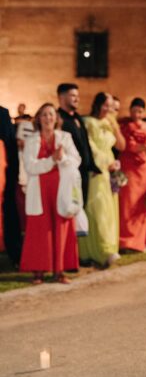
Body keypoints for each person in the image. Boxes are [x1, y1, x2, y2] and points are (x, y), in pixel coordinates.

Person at [20, 103, 81, 284]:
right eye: (44, 115)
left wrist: (61, 158)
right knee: (39, 230)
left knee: (61, 228)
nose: (48, 118)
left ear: (56, 118)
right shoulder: (31, 141)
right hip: (39, 191)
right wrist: (51, 160)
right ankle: (38, 271)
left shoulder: (65, 137)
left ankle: (59, 271)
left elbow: (76, 160)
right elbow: (30, 166)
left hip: (61, 190)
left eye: (51, 114)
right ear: (39, 118)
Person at [79, 92, 126, 267]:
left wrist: (115, 126)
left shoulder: (108, 122)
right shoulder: (87, 122)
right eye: (106, 105)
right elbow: (89, 147)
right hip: (96, 170)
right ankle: (99, 250)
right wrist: (106, 163)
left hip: (110, 170)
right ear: (97, 104)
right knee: (98, 209)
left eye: (111, 106)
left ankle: (109, 248)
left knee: (109, 209)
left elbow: (121, 145)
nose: (108, 109)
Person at [118, 98, 146, 252]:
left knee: (141, 205)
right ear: (130, 110)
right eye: (134, 110)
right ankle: (125, 241)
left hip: (144, 170)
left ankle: (139, 241)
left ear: (144, 112)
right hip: (128, 169)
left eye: (140, 111)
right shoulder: (124, 126)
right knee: (127, 204)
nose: (137, 114)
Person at [57, 83, 100, 208]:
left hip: (84, 172)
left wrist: (92, 165)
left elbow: (85, 143)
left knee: (82, 207)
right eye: (73, 95)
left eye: (78, 96)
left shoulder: (78, 118)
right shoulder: (58, 119)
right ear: (61, 97)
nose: (77, 99)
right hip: (68, 172)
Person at [0, 105, 21, 264]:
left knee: (8, 212)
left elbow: (11, 146)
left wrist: (13, 174)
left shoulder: (2, 113)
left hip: (4, 175)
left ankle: (14, 252)